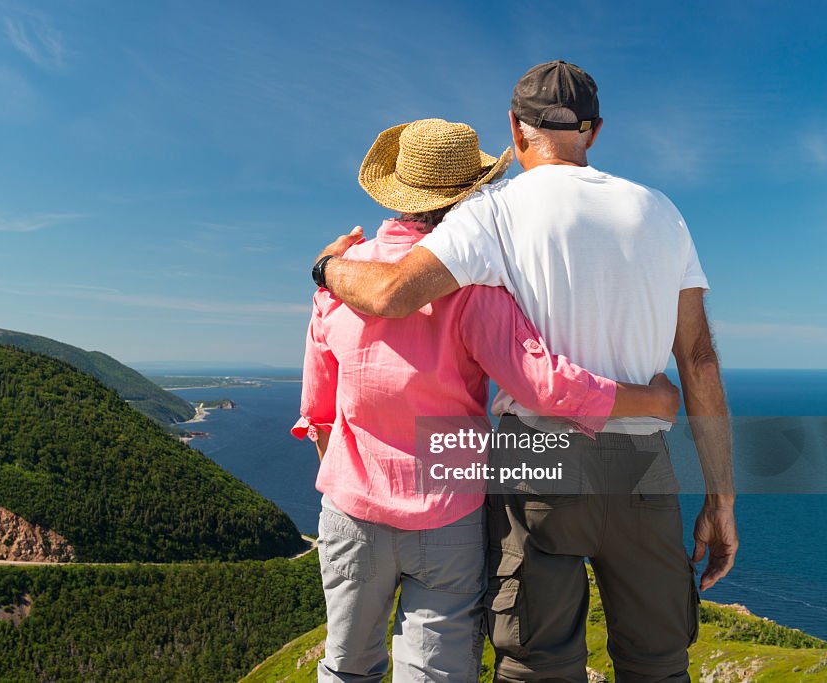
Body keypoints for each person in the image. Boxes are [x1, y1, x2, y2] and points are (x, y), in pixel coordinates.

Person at [311, 61, 738, 683]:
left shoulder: (492, 212)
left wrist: (325, 269)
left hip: (535, 458)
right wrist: (722, 499)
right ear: (593, 131)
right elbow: (697, 358)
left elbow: (395, 291)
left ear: (515, 128)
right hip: (643, 466)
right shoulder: (661, 212)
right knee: (658, 664)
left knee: (537, 664)